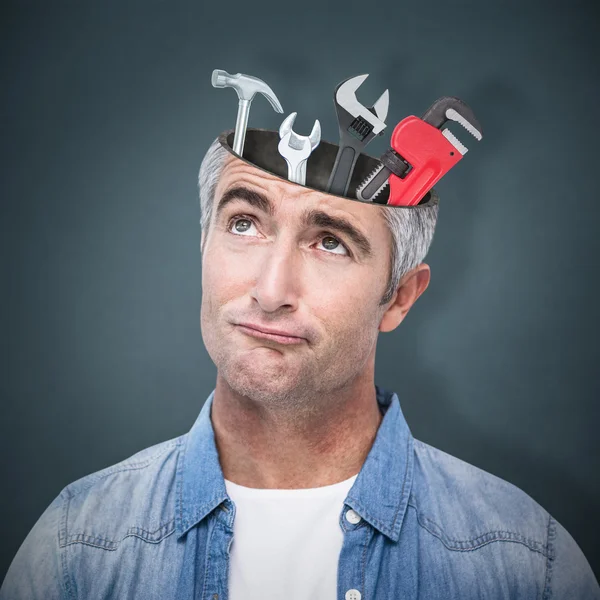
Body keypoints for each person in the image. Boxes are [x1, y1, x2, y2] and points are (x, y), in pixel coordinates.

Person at [2, 129, 599, 600]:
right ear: (203, 246)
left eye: (330, 241)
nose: (270, 290)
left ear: (398, 298)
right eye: (244, 223)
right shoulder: (74, 548)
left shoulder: (526, 563)